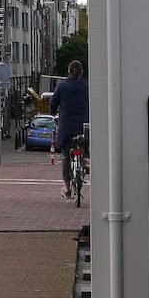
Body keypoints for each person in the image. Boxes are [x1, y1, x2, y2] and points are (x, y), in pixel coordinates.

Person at [50, 60, 89, 199]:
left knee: (66, 156)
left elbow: (53, 104)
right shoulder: (87, 86)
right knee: (86, 147)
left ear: (68, 71)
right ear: (81, 71)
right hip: (83, 125)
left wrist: (53, 112)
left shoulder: (61, 86)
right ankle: (84, 162)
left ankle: (67, 188)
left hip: (66, 126)